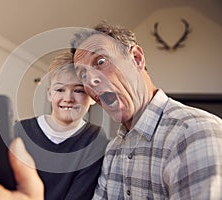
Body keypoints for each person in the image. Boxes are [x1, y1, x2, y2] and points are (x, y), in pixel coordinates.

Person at [70, 21, 222, 199]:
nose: (91, 80)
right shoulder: (113, 149)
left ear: (136, 58)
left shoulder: (196, 133)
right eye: (83, 74)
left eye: (101, 61)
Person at [0, 51, 108, 200]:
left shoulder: (95, 138)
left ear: (92, 96)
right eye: (60, 90)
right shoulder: (20, 130)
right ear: (49, 94)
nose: (68, 98)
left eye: (79, 91)